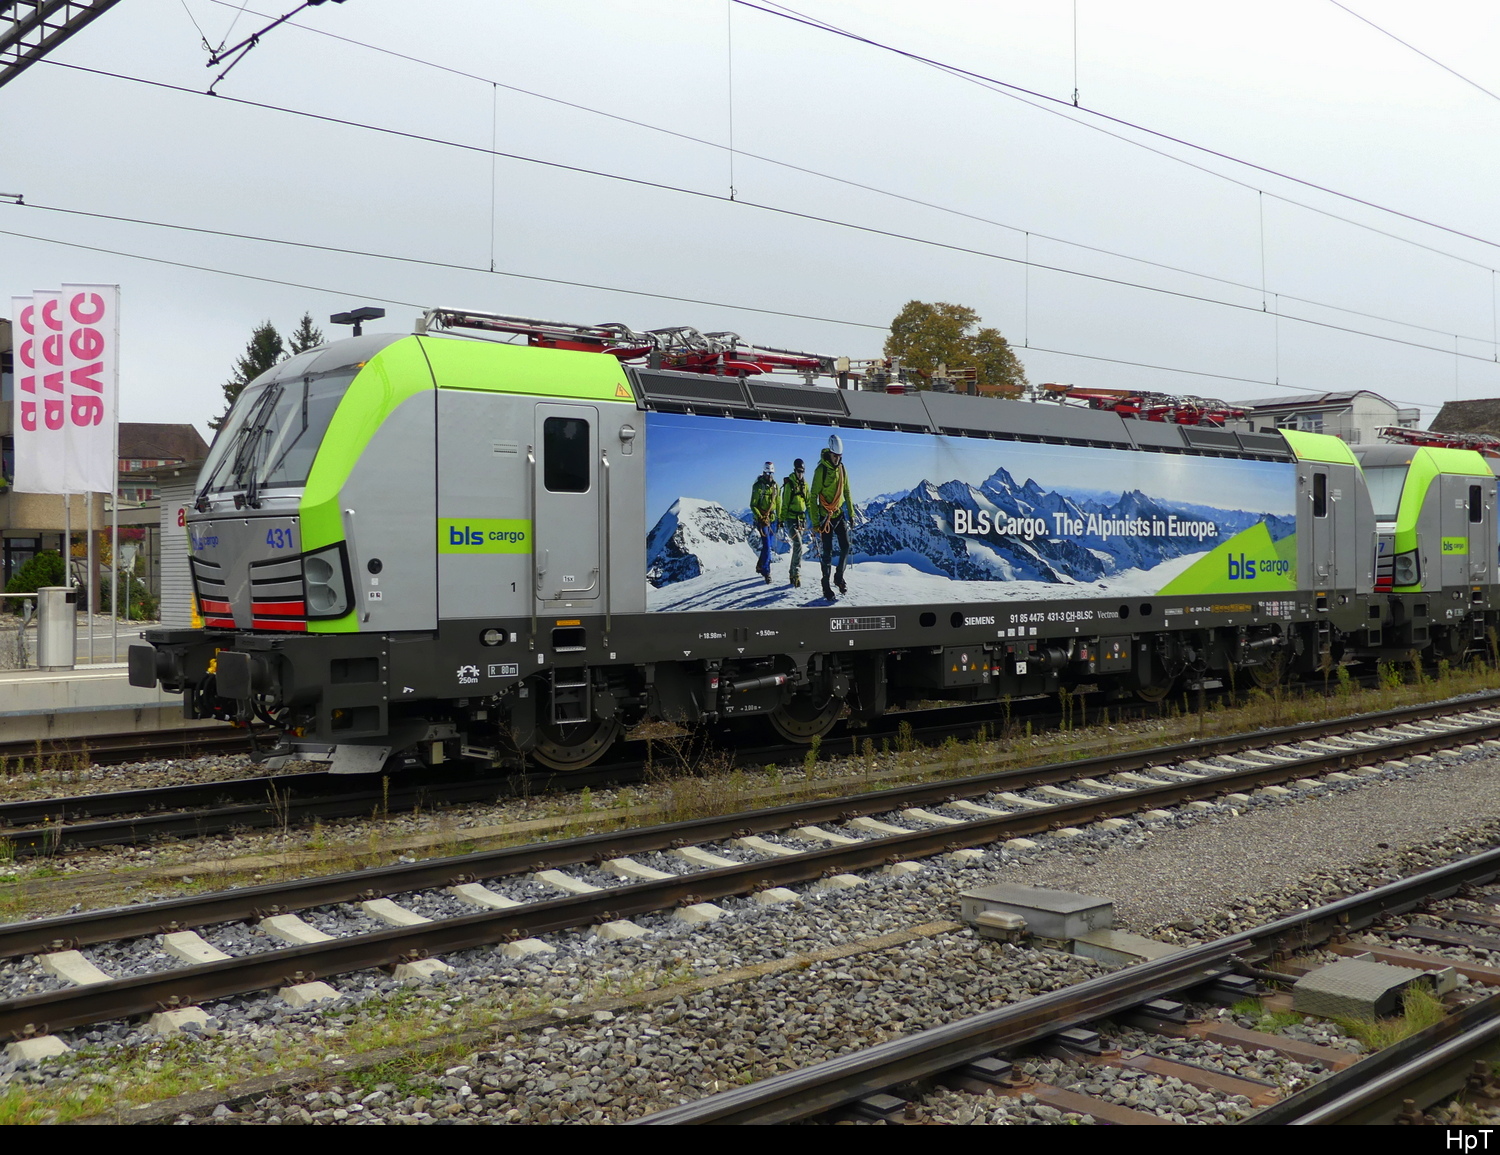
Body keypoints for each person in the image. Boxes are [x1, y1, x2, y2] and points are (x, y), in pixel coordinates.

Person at [809, 433, 854, 600]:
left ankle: (838, 577)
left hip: (839, 514)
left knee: (845, 546)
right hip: (824, 517)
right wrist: (815, 522)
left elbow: (847, 491)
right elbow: (813, 496)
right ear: (830, 453)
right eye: (835, 456)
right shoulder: (820, 470)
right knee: (827, 553)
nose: (837, 459)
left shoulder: (842, 469)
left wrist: (851, 513)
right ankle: (826, 585)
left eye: (840, 456)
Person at [780, 458, 809, 588]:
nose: (800, 474)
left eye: (802, 471)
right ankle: (796, 573)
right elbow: (784, 504)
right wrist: (781, 520)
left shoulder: (805, 485)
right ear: (795, 470)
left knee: (797, 547)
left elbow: (808, 502)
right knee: (798, 544)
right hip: (790, 519)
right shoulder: (789, 485)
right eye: (798, 471)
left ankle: (792, 573)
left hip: (801, 520)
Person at [750, 461, 780, 584]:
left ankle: (760, 565)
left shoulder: (775, 486)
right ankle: (766, 572)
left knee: (769, 546)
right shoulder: (758, 486)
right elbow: (753, 505)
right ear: (763, 472)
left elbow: (778, 502)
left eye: (771, 473)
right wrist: (760, 517)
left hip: (772, 519)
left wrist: (780, 518)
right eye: (767, 473)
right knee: (767, 546)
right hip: (762, 521)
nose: (769, 475)